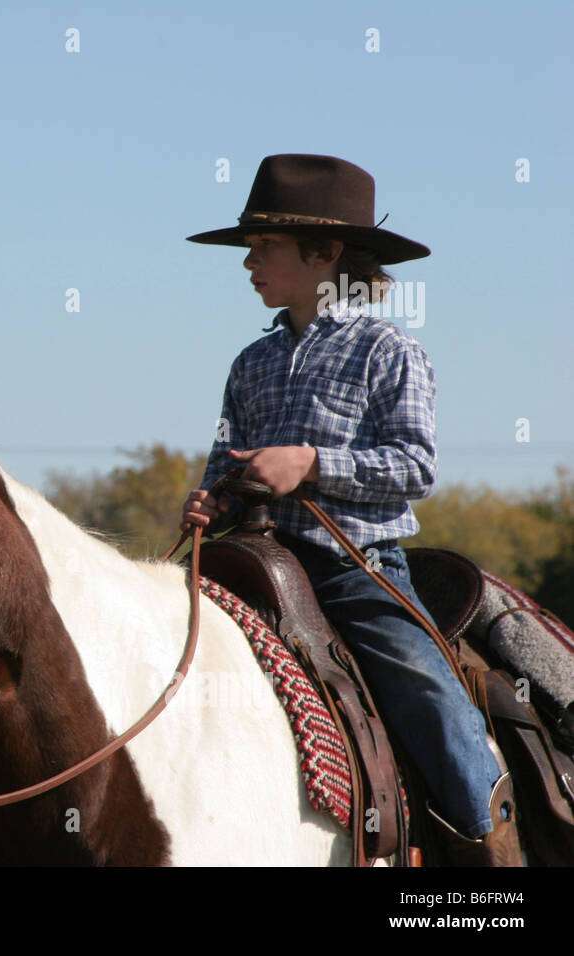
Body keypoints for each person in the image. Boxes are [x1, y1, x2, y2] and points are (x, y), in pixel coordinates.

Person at [180, 154, 521, 866]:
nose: (249, 263)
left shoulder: (389, 351)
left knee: (427, 692)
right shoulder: (250, 363)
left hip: (353, 571)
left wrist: (310, 465)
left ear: (325, 252)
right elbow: (225, 461)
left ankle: (492, 854)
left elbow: (414, 468)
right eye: (249, 249)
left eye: (263, 247)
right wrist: (209, 502)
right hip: (249, 564)